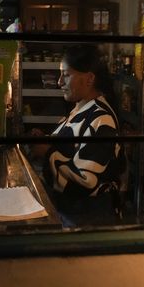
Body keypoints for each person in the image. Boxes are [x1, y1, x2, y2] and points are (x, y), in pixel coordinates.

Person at [30, 44, 126, 227]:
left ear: (89, 79)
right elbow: (71, 149)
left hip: (88, 217)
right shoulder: (81, 107)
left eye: (65, 75)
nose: (59, 82)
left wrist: (47, 152)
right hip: (72, 212)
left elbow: (85, 181)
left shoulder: (101, 119)